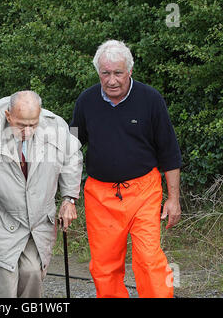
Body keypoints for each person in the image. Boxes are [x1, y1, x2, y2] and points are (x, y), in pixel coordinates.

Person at [70, 40, 182, 298]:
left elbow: (169, 152)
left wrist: (174, 199)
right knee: (104, 264)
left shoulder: (151, 99)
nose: (111, 80)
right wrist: (68, 194)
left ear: (130, 71)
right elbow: (71, 144)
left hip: (144, 191)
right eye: (105, 73)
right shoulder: (86, 101)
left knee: (149, 258)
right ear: (98, 72)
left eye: (118, 73)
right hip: (100, 195)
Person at [0, 91, 83, 297]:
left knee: (32, 272)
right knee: (7, 278)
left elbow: (72, 158)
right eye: (21, 125)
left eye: (33, 124)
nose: (28, 131)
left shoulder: (56, 126)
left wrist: (69, 198)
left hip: (38, 220)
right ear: (8, 115)